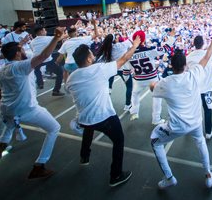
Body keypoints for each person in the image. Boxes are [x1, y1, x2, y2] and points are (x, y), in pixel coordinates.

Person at [149, 27, 212, 190]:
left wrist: (152, 83)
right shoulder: (194, 74)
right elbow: (207, 56)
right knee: (201, 142)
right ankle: (209, 175)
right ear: (185, 66)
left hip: (176, 127)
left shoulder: (166, 83)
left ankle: (169, 178)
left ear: (171, 66)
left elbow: (152, 88)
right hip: (196, 122)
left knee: (155, 141)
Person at [0, 27, 66, 179]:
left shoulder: (2, 70)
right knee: (54, 128)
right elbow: (44, 55)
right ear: (17, 53)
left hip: (7, 108)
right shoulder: (20, 66)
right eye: (21, 49)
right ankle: (39, 165)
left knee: (10, 124)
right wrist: (56, 38)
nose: (24, 50)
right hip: (26, 108)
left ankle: (1, 144)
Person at [67, 35, 141, 187]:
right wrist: (134, 45)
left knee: (88, 129)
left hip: (83, 117)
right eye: (91, 54)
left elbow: (69, 90)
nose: (94, 55)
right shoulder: (99, 70)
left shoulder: (71, 78)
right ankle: (116, 175)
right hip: (104, 117)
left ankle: (84, 156)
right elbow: (123, 59)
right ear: (88, 59)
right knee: (119, 140)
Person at [127, 30, 166, 124]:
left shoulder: (129, 53)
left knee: (135, 94)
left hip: (139, 79)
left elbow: (129, 68)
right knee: (157, 97)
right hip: (152, 77)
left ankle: (134, 111)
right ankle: (156, 119)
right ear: (144, 40)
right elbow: (164, 49)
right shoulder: (149, 49)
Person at [186, 35, 212, 140]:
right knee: (207, 110)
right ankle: (208, 132)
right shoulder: (209, 54)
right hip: (206, 89)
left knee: (192, 110)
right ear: (203, 44)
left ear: (194, 44)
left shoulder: (189, 57)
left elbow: (186, 70)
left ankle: (190, 129)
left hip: (194, 89)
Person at [94, 33, 133, 111]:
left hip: (112, 69)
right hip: (124, 69)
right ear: (115, 39)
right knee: (129, 86)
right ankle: (128, 105)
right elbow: (132, 42)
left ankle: (105, 102)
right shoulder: (122, 45)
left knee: (108, 87)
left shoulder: (107, 48)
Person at [30, 25, 64, 96]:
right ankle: (56, 90)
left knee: (37, 70)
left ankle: (40, 84)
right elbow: (61, 38)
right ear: (41, 31)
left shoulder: (32, 41)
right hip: (47, 60)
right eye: (45, 30)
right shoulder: (48, 38)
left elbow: (33, 50)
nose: (46, 31)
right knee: (60, 73)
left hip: (36, 60)